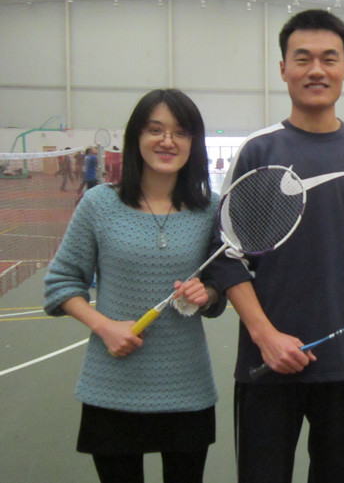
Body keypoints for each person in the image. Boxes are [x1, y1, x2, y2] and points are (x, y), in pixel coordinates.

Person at [202, 9, 344, 483]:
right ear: (283, 69)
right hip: (266, 361)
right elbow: (226, 258)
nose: (317, 70)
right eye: (303, 59)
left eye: (329, 59)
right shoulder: (258, 151)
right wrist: (265, 337)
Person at [44, 88, 224, 483]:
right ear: (135, 137)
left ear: (193, 142)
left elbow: (218, 290)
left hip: (186, 388)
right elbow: (60, 282)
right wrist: (105, 327)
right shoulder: (99, 205)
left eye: (180, 132)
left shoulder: (211, 209)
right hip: (111, 386)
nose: (167, 141)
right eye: (155, 130)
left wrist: (206, 293)